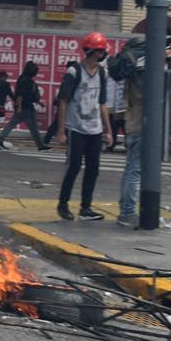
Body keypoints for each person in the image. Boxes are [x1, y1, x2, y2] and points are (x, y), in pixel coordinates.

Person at [55, 32, 112, 221]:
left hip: (95, 129)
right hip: (76, 127)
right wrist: (61, 131)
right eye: (102, 51)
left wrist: (108, 129)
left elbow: (102, 102)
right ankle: (63, 204)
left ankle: (85, 208)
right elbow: (63, 101)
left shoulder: (102, 73)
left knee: (93, 168)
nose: (103, 54)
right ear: (94, 52)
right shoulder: (74, 72)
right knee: (74, 166)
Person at [0, 61, 49, 151]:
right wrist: (20, 107)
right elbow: (21, 95)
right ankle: (41, 146)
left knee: (11, 125)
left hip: (22, 107)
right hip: (26, 108)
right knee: (33, 128)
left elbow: (26, 95)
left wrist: (36, 103)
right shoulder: (26, 81)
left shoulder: (21, 79)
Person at [117, 67, 144, 228]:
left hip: (132, 125)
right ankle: (127, 211)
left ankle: (125, 209)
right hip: (141, 127)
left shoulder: (132, 75)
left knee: (131, 169)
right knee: (135, 171)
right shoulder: (144, 77)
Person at [105, 74, 126, 152]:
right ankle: (111, 145)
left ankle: (128, 145)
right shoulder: (109, 74)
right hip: (112, 105)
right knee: (113, 125)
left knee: (123, 125)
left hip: (122, 104)